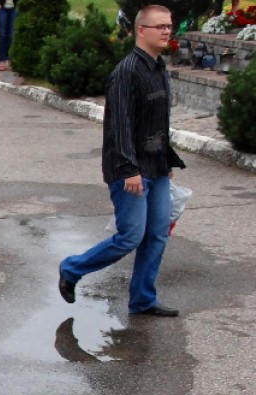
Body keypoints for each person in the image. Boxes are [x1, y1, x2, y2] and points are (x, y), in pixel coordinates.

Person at [58, 5, 186, 317]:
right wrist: (129, 169)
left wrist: (166, 161)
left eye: (169, 26)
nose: (167, 31)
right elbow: (120, 126)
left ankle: (142, 300)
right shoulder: (127, 72)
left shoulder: (159, 68)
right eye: (160, 27)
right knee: (130, 236)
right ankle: (72, 268)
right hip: (129, 170)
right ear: (141, 30)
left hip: (156, 168)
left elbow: (157, 121)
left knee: (156, 235)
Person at [0, 0, 16, 71]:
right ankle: (2, 60)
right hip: (2, 8)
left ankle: (10, 59)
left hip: (14, 8)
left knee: (11, 35)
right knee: (2, 34)